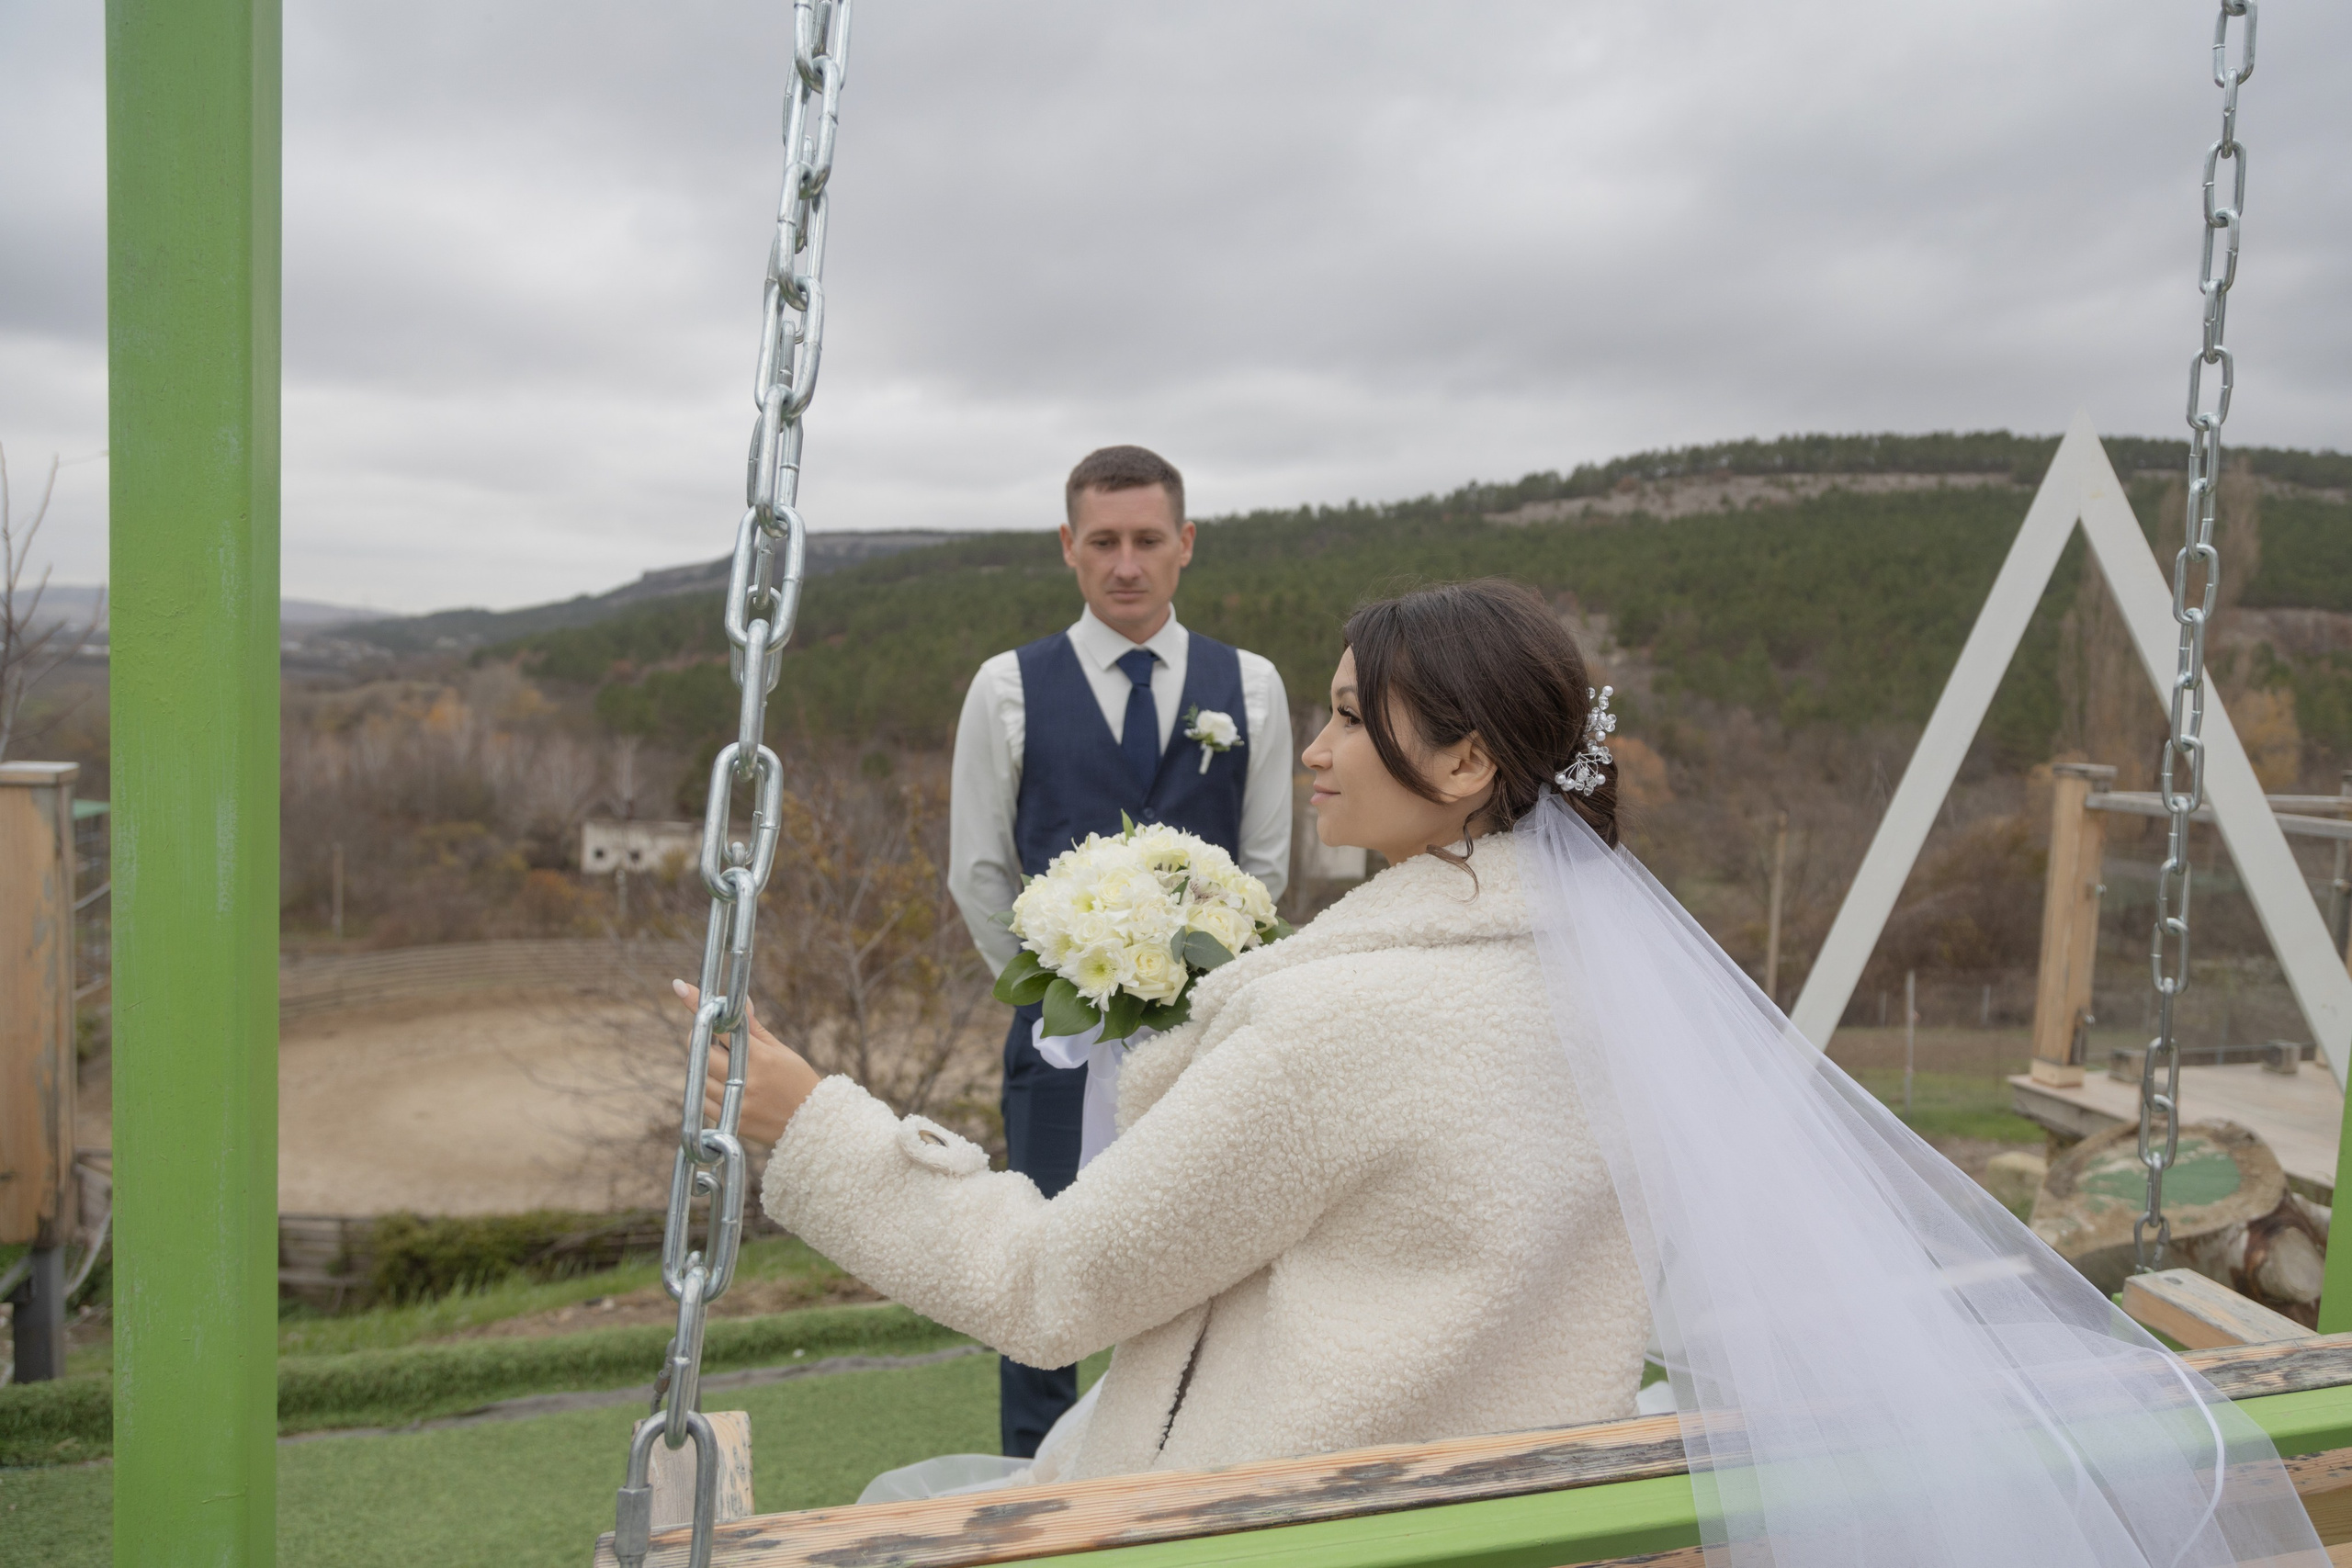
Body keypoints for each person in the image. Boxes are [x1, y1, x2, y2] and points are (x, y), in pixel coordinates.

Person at [695, 581, 2325, 1565]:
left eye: (1348, 717)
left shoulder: (1341, 1029)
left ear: (1467, 761)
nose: (1318, 751)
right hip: (1486, 1510)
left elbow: (1054, 1286)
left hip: (1252, 1528)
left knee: (910, 1496)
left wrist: (807, 1123)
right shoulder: (1618, 997)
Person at [944, 444, 1292, 1459]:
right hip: (1056, 1042)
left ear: (1185, 545)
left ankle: (1191, 1472)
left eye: (1147, 540)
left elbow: (1264, 869)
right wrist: (1051, 999)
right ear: (1068, 547)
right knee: (1043, 1270)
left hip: (1214, 1042)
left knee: (1205, 1267)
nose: (1125, 563)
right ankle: (1030, 1486)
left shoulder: (1253, 686)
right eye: (1103, 541)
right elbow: (978, 871)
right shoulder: (1005, 689)